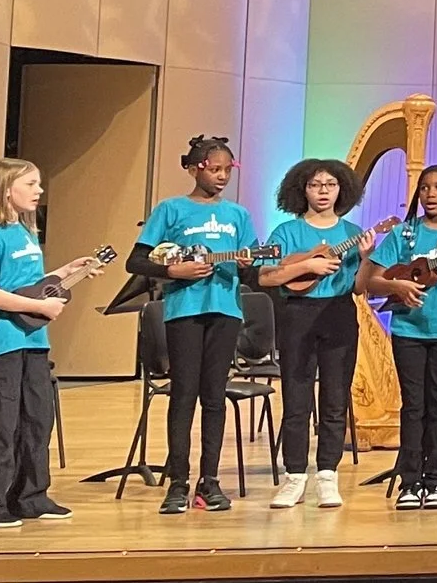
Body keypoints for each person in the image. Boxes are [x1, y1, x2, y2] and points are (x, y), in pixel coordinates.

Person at [129, 135, 256, 514]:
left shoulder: (238, 215)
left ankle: (210, 481)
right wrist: (174, 271)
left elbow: (252, 269)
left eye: (227, 170)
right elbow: (136, 261)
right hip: (184, 311)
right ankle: (178, 481)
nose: (222, 177)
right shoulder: (171, 209)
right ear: (194, 169)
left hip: (225, 312)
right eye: (214, 169)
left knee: (214, 396)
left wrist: (248, 264)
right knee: (184, 395)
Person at [358, 164, 437, 510]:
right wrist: (397, 286)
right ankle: (411, 481)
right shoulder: (404, 233)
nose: (431, 194)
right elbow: (372, 281)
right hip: (408, 330)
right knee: (413, 405)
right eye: (426, 187)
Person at [256, 158, 372, 509]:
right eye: (315, 185)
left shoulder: (352, 232)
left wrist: (366, 258)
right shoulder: (287, 232)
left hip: (339, 313)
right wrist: (307, 265)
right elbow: (265, 276)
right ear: (302, 190)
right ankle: (294, 476)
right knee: (296, 397)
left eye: (330, 185)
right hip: (297, 315)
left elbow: (358, 288)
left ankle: (327, 476)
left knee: (335, 398)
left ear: (342, 190)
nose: (323, 191)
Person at [0, 159, 75, 527]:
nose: (39, 190)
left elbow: (27, 285)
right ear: (5, 189)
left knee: (36, 420)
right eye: (31, 184)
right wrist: (39, 307)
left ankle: (30, 496)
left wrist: (68, 272)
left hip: (33, 340)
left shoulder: (26, 231)